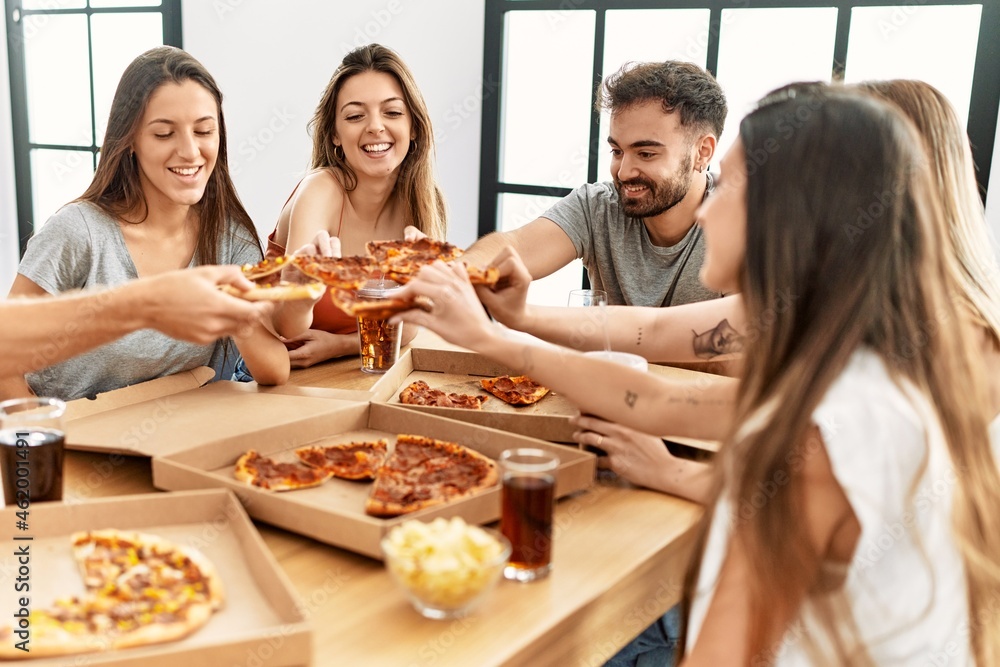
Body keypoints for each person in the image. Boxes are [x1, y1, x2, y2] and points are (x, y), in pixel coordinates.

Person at [392, 85, 1000, 663]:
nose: (708, 210)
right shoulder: (850, 374)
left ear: (791, 216)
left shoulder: (833, 428)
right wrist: (493, 334)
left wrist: (496, 334)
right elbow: (655, 396)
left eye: (730, 186)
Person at [2, 46, 292, 401]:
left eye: (204, 131)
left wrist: (238, 308)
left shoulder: (229, 239)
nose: (189, 151)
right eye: (164, 134)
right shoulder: (79, 232)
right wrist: (33, 443)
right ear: (130, 142)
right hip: (74, 439)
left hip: (177, 440)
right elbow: (5, 359)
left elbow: (275, 371)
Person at [462, 60, 727, 308]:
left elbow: (730, 348)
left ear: (703, 151)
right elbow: (516, 246)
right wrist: (453, 271)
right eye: (617, 151)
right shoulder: (598, 206)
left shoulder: (741, 223)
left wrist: (529, 319)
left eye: (646, 154)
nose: (623, 173)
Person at [261, 43, 445, 370]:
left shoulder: (423, 202)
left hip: (354, 372)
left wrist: (341, 346)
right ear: (334, 133)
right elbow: (287, 329)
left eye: (392, 112)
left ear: (413, 126)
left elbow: (410, 326)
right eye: (356, 115)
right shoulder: (320, 192)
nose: (375, 127)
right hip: (279, 375)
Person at [0, 266, 271, 378]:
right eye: (163, 138)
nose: (189, 153)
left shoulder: (230, 233)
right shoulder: (78, 226)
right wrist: (149, 303)